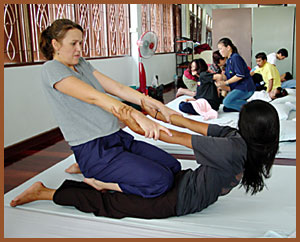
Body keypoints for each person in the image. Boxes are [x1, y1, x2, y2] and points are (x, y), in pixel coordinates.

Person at [10, 100, 280, 219]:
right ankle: (96, 167)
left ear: (248, 128)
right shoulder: (250, 143)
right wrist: (161, 111)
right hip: (182, 179)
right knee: (167, 165)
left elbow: (174, 137)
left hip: (178, 200)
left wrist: (133, 118)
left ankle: (45, 193)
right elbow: (191, 124)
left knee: (111, 204)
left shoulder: (234, 149)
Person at [38, 18, 182, 198]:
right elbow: (95, 97)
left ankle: (84, 167)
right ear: (55, 44)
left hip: (117, 138)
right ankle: (100, 182)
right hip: (94, 149)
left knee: (173, 167)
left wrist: (157, 105)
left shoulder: (81, 64)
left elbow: (118, 89)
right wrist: (140, 118)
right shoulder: (52, 68)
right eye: (73, 43)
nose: (79, 49)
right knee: (161, 181)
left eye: (81, 43)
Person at [216, 38, 255, 112]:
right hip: (238, 87)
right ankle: (245, 108)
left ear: (228, 47)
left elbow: (240, 75)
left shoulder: (235, 58)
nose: (220, 51)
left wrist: (225, 83)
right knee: (226, 108)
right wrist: (217, 79)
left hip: (245, 88)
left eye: (221, 49)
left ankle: (253, 109)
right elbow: (228, 76)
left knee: (227, 102)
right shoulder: (229, 60)